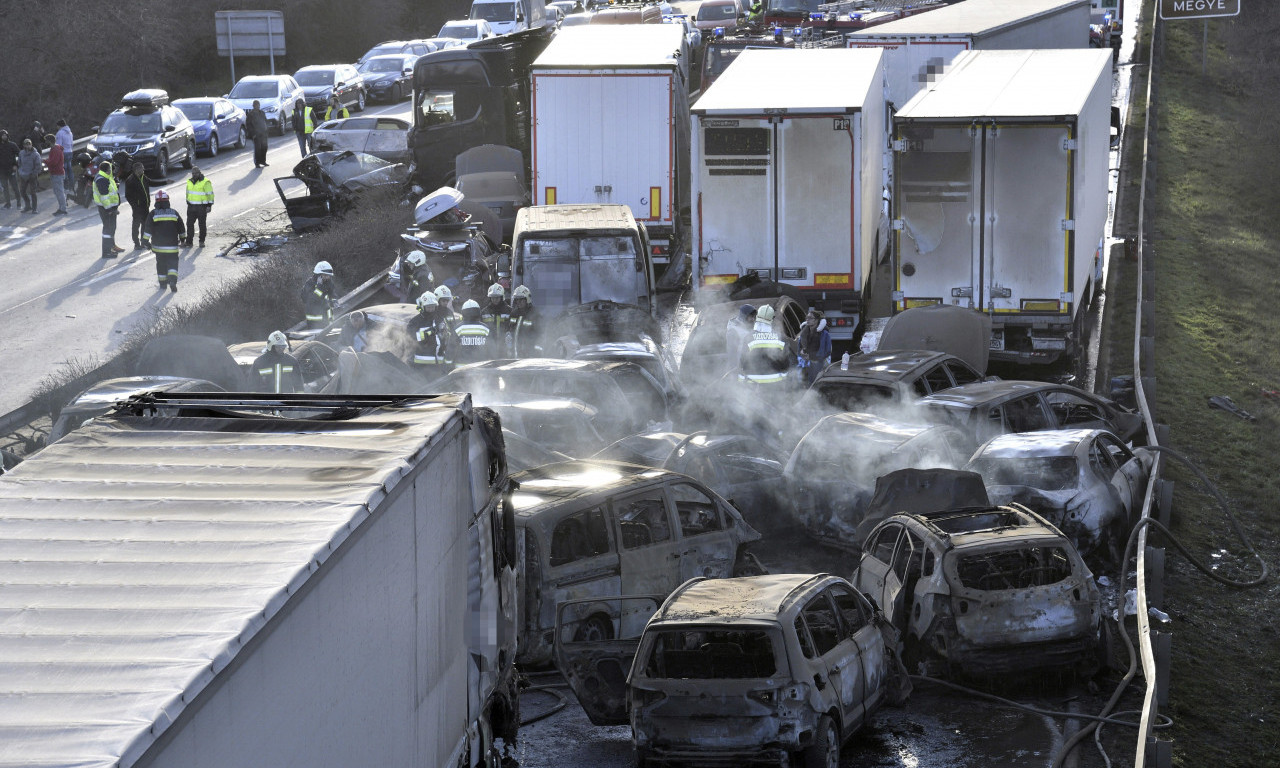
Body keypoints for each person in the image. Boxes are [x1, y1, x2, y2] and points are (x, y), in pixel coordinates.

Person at [142, 190, 186, 292]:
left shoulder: (153, 214)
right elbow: (181, 228)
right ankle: (172, 281)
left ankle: (162, 284)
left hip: (158, 248)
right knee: (173, 264)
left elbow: (147, 229)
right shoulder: (174, 213)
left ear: (156, 202)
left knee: (161, 265)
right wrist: (183, 239)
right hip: (172, 247)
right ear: (168, 201)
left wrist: (145, 242)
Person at [739, 304, 792, 387]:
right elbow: (785, 362)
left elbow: (743, 361)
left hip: (753, 384)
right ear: (772, 319)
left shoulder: (749, 337)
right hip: (775, 384)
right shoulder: (781, 338)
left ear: (757, 317)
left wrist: (741, 381)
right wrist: (784, 380)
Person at [407, 290, 452, 373]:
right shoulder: (415, 321)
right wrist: (429, 332)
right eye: (428, 307)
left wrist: (445, 333)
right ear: (422, 307)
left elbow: (447, 335)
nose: (431, 309)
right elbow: (411, 337)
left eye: (433, 306)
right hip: (422, 364)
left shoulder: (440, 319)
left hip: (439, 363)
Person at [93, 157, 125, 257]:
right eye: (111, 168)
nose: (112, 170)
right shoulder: (102, 179)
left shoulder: (105, 177)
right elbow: (104, 197)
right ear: (107, 170)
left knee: (112, 227)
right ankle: (106, 252)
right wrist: (109, 210)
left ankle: (112, 246)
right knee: (108, 229)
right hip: (106, 209)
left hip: (110, 208)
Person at [452, 299, 494, 366]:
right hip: (481, 368)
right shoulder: (485, 329)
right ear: (478, 312)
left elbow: (451, 348)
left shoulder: (458, 329)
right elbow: (491, 349)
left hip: (461, 369)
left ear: (463, 313)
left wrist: (447, 365)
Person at [796, 308, 832, 386]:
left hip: (818, 364)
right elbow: (799, 348)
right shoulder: (803, 333)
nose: (807, 320)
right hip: (805, 364)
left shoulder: (824, 334)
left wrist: (811, 356)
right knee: (803, 385)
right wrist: (802, 353)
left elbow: (828, 351)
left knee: (816, 385)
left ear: (816, 320)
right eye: (807, 318)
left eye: (810, 318)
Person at [508, 284, 543, 358]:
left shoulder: (535, 314)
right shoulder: (514, 313)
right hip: (515, 349)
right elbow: (510, 329)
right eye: (517, 300)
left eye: (521, 300)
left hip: (530, 350)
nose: (518, 302)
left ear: (527, 299)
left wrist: (534, 348)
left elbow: (540, 333)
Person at [301, 261, 338, 329]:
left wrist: (335, 301)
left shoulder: (328, 282)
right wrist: (319, 287)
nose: (328, 278)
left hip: (328, 321)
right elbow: (312, 300)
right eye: (325, 275)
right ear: (318, 275)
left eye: (329, 276)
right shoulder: (310, 284)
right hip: (315, 323)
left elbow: (332, 294)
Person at [183, 167, 213, 246]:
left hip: (201, 207)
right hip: (191, 206)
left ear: (199, 173)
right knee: (189, 224)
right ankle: (189, 242)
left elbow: (210, 194)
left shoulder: (205, 182)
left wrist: (209, 206)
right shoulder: (190, 182)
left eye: (196, 173)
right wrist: (188, 202)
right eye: (193, 173)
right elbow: (188, 193)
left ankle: (201, 241)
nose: (194, 175)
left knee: (202, 224)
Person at [123, 161, 150, 247]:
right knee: (136, 225)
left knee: (145, 224)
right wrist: (135, 206)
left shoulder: (143, 177)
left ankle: (143, 241)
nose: (143, 169)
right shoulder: (130, 180)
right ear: (137, 170)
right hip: (137, 208)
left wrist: (165, 182)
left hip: (145, 206)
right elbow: (128, 196)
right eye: (142, 168)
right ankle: (136, 242)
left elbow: (152, 182)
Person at [480, 283, 512, 354]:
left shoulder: (509, 311)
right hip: (489, 346)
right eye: (492, 297)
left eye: (497, 297)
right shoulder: (484, 312)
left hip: (505, 346)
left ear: (502, 297)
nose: (495, 300)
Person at [725, 304, 756, 371]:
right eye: (751, 317)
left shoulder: (748, 327)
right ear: (744, 316)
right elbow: (732, 354)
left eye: (754, 317)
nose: (753, 319)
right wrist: (735, 369)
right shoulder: (733, 331)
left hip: (749, 366)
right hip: (739, 368)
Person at [16, 138, 40, 213]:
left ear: (31, 144)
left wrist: (34, 174)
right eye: (26, 144)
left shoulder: (35, 154)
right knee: (22, 191)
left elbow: (38, 166)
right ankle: (27, 205)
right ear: (24, 145)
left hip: (32, 175)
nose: (28, 145)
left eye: (29, 144)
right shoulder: (21, 153)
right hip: (24, 175)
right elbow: (19, 164)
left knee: (33, 192)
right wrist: (20, 172)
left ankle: (34, 208)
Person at [45, 134, 67, 215]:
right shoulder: (56, 148)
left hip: (57, 173)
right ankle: (62, 207)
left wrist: (45, 161)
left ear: (50, 141)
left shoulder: (55, 150)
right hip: (57, 173)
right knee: (58, 191)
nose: (45, 142)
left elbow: (53, 162)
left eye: (46, 141)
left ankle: (63, 209)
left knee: (59, 192)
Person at [246, 100, 269, 167]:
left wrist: (267, 129)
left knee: (265, 147)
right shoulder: (251, 114)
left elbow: (265, 121)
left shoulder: (262, 113)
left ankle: (263, 161)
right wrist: (253, 134)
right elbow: (248, 125)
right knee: (258, 148)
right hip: (256, 134)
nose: (257, 106)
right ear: (253, 106)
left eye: (258, 105)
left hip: (263, 133)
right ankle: (257, 162)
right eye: (256, 105)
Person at [0, 130, 18, 209]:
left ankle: (19, 203)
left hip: (12, 169)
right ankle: (8, 203)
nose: (4, 136)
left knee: (15, 187)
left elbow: (20, 154)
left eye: (5, 135)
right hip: (2, 171)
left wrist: (16, 165)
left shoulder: (12, 145)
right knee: (5, 188)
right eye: (2, 135)